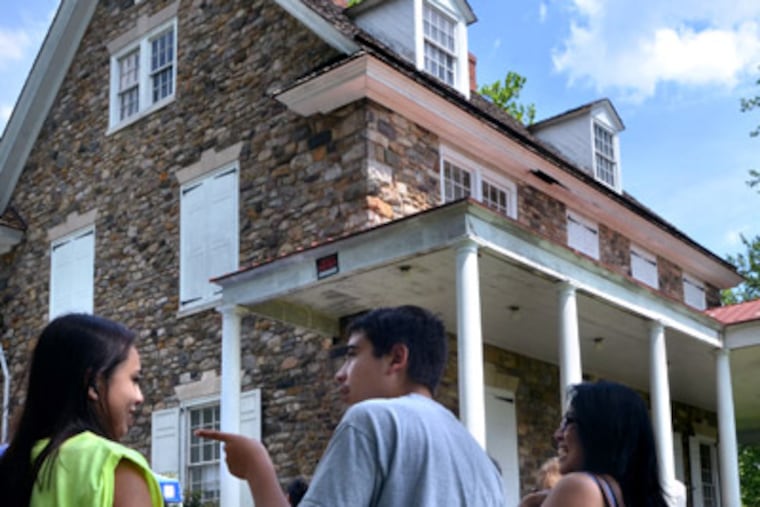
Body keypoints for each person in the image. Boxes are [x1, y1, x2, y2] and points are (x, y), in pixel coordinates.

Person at [197, 305, 504, 506]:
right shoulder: (483, 463)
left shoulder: (374, 420)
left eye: (353, 354)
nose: (340, 373)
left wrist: (255, 466)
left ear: (397, 358)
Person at [0, 313, 163, 507]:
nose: (139, 397)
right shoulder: (115, 467)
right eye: (134, 379)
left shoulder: (13, 466)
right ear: (94, 383)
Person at [519, 380, 668, 507]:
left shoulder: (579, 487)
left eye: (570, 421)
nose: (557, 434)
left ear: (601, 431)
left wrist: (526, 504)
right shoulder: (627, 495)